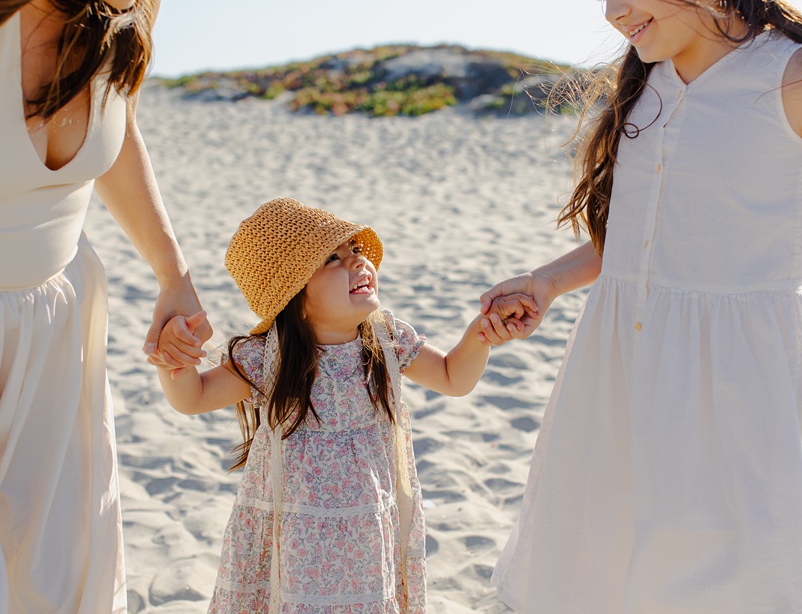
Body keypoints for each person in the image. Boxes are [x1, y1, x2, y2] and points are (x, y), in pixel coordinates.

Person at [479, 0, 802, 612]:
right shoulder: (646, 81)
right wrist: (548, 281)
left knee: (736, 574)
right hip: (615, 368)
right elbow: (643, 233)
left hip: (732, 382)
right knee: (605, 561)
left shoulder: (797, 78)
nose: (612, 10)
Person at [0, 0, 210, 612]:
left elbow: (115, 126)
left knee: (51, 593)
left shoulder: (128, 0)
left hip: (57, 344)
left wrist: (171, 273)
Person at [149, 197, 532, 613]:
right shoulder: (270, 358)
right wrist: (176, 361)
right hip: (294, 542)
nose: (357, 262)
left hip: (365, 536)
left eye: (356, 250)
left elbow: (453, 377)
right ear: (294, 295)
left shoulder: (386, 340)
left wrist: (481, 335)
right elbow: (194, 398)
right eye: (333, 258)